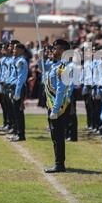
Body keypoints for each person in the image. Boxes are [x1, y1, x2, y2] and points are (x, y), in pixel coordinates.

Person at [44, 39, 72, 173]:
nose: (52, 51)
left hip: (59, 107)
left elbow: (61, 90)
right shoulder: (56, 65)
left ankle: (59, 164)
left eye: (54, 49)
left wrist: (55, 109)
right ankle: (58, 162)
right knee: (55, 136)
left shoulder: (64, 67)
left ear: (61, 51)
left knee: (58, 136)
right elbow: (43, 70)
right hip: (52, 104)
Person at [9, 43, 28, 142]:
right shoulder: (16, 60)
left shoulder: (21, 61)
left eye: (16, 49)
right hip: (14, 87)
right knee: (15, 112)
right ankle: (16, 132)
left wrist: (17, 92)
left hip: (18, 87)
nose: (13, 50)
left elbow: (21, 78)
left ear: (21, 50)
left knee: (18, 112)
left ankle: (21, 134)